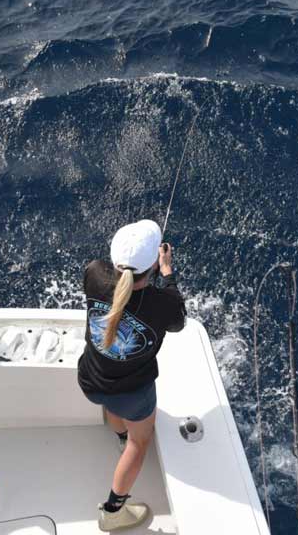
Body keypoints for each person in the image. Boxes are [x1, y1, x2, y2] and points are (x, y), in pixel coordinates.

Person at [77, 219, 187, 531]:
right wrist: (167, 274)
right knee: (141, 443)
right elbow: (177, 322)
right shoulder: (164, 302)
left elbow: (117, 284)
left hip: (90, 379)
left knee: (114, 409)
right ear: (154, 262)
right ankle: (113, 511)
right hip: (132, 394)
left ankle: (121, 436)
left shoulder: (94, 274)